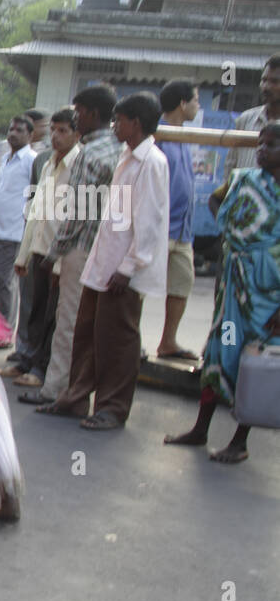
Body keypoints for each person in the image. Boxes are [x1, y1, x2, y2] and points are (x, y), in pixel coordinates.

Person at [38, 91, 168, 430]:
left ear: (135, 123)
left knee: (118, 341)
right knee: (87, 334)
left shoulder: (152, 162)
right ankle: (76, 396)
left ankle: (112, 407)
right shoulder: (127, 156)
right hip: (102, 261)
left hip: (123, 270)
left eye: (120, 121)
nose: (115, 126)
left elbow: (150, 221)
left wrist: (128, 266)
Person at [165, 122, 280, 463]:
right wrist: (232, 231)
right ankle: (201, 428)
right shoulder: (243, 178)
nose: (262, 150)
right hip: (232, 290)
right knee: (218, 353)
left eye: (272, 145)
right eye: (261, 143)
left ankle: (240, 440)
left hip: (268, 298)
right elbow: (217, 201)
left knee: (252, 365)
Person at [37, 84, 124, 408]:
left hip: (82, 248)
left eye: (79, 112)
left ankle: (58, 392)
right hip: (110, 251)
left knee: (69, 323)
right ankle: (81, 392)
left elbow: (76, 212)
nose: (76, 118)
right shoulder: (121, 149)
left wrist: (53, 255)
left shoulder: (92, 153)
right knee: (95, 329)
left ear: (92, 113)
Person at [7, 108, 81, 392]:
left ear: (77, 134)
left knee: (54, 315)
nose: (55, 136)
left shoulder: (78, 164)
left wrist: (58, 257)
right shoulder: (47, 164)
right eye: (53, 130)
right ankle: (27, 361)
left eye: (63, 131)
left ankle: (42, 368)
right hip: (39, 248)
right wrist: (24, 254)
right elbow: (35, 212)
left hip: (60, 254)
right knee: (36, 312)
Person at [155, 79, 201, 361]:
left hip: (183, 231)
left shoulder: (185, 136)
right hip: (161, 228)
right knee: (141, 288)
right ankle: (131, 344)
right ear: (183, 103)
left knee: (182, 284)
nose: (198, 106)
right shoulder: (158, 135)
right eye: (196, 100)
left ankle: (168, 342)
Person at [0, 114, 36, 346]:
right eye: (11, 129)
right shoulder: (6, 158)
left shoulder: (31, 160)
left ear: (30, 135)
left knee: (6, 281)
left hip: (13, 231)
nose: (13, 133)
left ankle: (5, 332)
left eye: (19, 130)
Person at [222, 53, 280, 175]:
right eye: (264, 80)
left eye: (274, 81)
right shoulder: (245, 120)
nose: (266, 87)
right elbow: (230, 168)